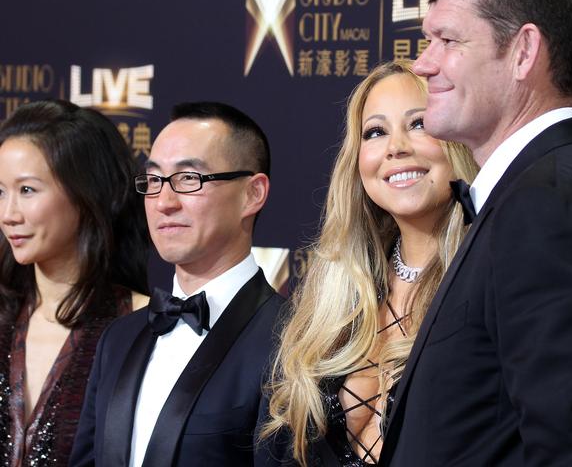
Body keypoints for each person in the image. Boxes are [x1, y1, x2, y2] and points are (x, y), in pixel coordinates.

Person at [378, 0, 572, 466]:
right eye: (426, 41)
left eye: (448, 41)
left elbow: (571, 449)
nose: (423, 63)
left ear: (523, 51)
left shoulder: (544, 202)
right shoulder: (552, 186)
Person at [257, 60, 478, 466]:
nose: (396, 147)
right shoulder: (335, 294)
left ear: (458, 141)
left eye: (419, 123)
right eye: (375, 132)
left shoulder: (488, 279)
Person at [70, 101, 285, 467]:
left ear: (253, 193)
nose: (163, 202)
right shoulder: (117, 340)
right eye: (153, 181)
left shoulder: (292, 341)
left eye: (189, 179)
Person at [0, 99, 149, 467]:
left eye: (28, 190)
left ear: (87, 195)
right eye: (0, 191)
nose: (8, 215)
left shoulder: (143, 323)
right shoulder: (6, 312)